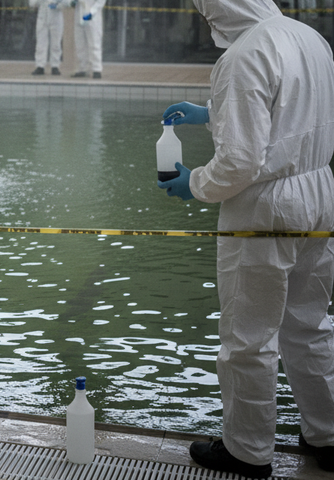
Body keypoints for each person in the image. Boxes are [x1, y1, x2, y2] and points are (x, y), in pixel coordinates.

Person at [158, 0, 334, 477]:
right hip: (319, 190)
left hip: (265, 205)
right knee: (309, 323)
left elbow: (240, 162)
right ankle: (327, 434)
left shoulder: (240, 56)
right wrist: (212, 114)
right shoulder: (306, 37)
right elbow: (287, 116)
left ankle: (247, 450)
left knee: (249, 336)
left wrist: (194, 184)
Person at [70, 0, 105, 79]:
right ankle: (82, 69)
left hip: (92, 17)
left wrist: (92, 12)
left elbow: (101, 1)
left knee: (94, 44)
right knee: (80, 44)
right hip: (79, 15)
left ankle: (96, 69)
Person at [30, 0, 65, 75]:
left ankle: (55, 66)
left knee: (56, 43)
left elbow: (67, 2)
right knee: (41, 43)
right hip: (42, 17)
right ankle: (40, 66)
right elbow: (32, 3)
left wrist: (58, 5)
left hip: (56, 16)